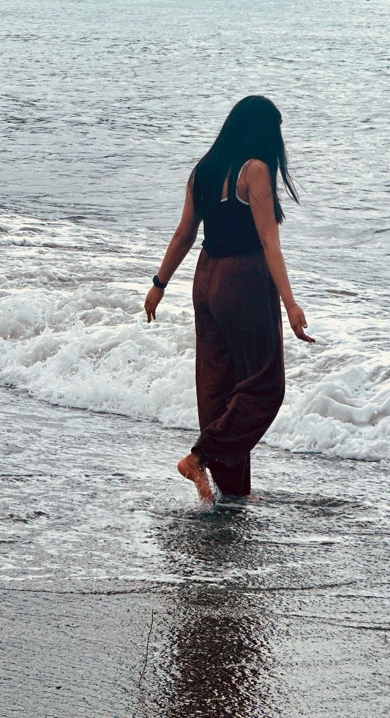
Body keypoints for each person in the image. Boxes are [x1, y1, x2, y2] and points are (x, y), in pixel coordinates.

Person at [145, 95, 314, 504]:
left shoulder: (202, 170)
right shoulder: (254, 171)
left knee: (219, 388)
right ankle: (200, 456)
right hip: (243, 279)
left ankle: (233, 494)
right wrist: (291, 304)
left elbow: (185, 233)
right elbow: (269, 242)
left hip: (205, 279)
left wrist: (159, 284)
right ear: (261, 131)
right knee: (264, 385)